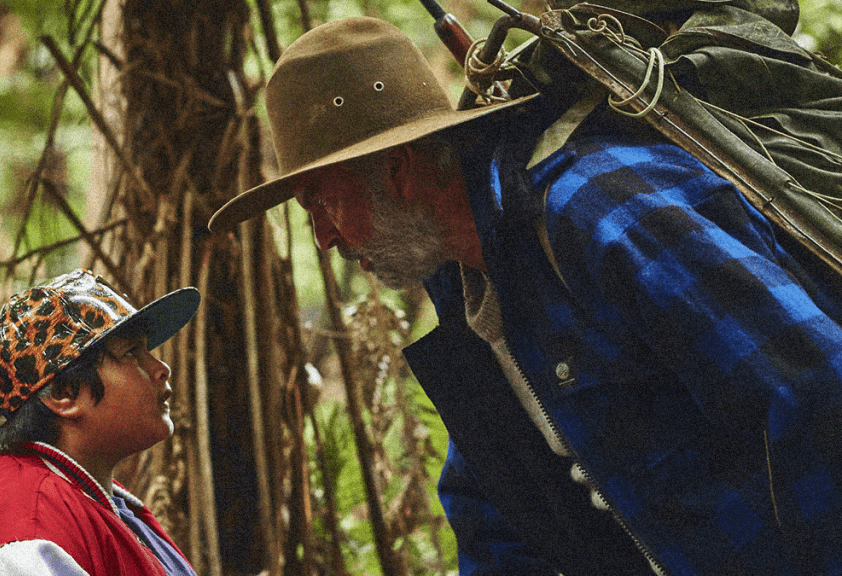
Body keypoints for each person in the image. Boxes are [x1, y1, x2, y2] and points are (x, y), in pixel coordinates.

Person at [208, 7, 842, 576]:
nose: (321, 236)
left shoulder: (595, 211)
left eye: (320, 199)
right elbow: (497, 508)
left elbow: (815, 390)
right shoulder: (469, 290)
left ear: (396, 168)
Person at [0, 269, 201, 576]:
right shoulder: (29, 534)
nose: (161, 368)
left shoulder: (95, 500)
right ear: (64, 394)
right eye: (132, 353)